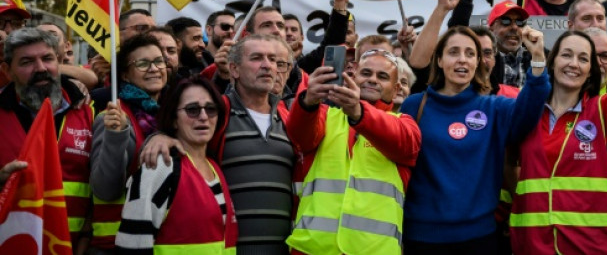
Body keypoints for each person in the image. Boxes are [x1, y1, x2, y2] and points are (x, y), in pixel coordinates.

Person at [509, 0, 607, 254]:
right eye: (566, 55)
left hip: (590, 246)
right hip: (533, 245)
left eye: (583, 59)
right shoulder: (529, 111)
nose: (573, 64)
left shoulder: (599, 111)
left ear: (591, 69)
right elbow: (509, 162)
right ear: (553, 62)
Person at [141, 35, 297, 254]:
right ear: (234, 69)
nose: (267, 65)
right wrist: (160, 137)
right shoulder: (217, 112)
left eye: (273, 59)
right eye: (256, 58)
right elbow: (184, 135)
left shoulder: (288, 116)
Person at [400, 25, 550, 254]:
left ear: (478, 62)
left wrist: (537, 57)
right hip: (421, 238)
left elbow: (530, 109)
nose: (462, 60)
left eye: (470, 54)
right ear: (439, 60)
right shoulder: (414, 105)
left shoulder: (494, 108)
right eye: (453, 52)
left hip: (478, 238)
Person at [285, 48, 421, 254]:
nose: (372, 80)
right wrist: (309, 99)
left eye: (382, 76)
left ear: (395, 90)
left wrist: (358, 112)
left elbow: (401, 142)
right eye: (366, 73)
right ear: (352, 77)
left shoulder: (405, 124)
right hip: (313, 248)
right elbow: (299, 136)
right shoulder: (324, 114)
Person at [114, 77, 238, 253]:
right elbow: (132, 244)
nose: (203, 117)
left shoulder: (214, 167)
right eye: (192, 110)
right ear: (173, 119)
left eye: (211, 109)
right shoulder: (160, 167)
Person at [0, 28, 95, 248]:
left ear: (60, 62)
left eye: (47, 58)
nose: (41, 68)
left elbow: (99, 188)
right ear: (7, 70)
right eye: (26, 62)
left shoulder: (90, 111)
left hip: (71, 246)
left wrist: (87, 236)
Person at [90, 35, 168, 252]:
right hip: (117, 244)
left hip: (159, 240)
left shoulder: (173, 116)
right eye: (142, 63)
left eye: (159, 61)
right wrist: (117, 136)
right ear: (125, 74)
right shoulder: (111, 117)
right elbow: (105, 190)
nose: (154, 69)